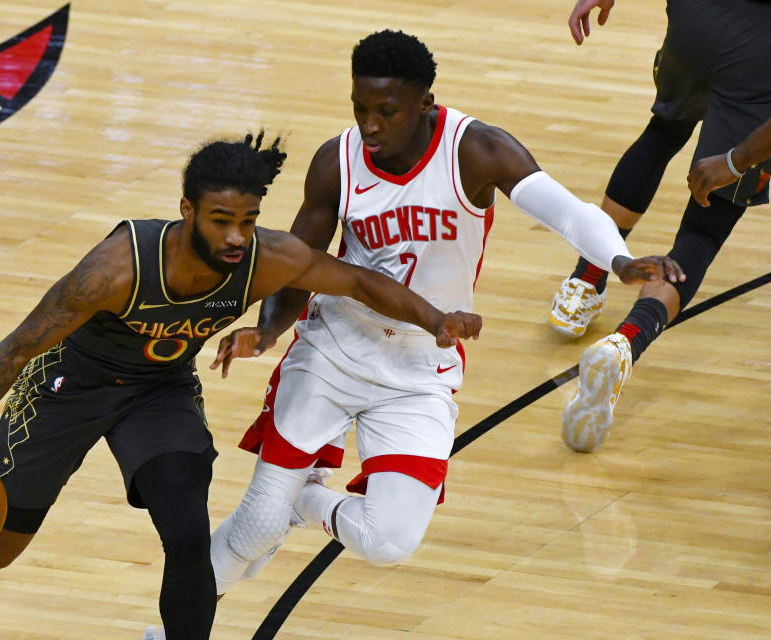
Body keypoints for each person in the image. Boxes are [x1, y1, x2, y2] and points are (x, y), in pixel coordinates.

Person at [0, 132, 487, 640]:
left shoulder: (265, 257)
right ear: (186, 209)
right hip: (72, 385)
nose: (235, 237)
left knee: (189, 534)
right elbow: (19, 346)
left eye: (247, 221)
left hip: (159, 391)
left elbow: (358, 282)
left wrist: (436, 320)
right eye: (222, 221)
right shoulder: (116, 268)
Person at [206, 30, 683, 602]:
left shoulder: (477, 150)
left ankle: (302, 501)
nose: (370, 125)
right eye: (360, 109)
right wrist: (265, 332)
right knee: (255, 525)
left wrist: (621, 261)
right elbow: (300, 264)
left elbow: (569, 213)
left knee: (387, 541)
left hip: (418, 366)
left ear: (424, 104)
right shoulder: (338, 161)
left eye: (386, 111)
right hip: (333, 348)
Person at [555, 0, 771, 453]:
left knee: (664, 130)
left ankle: (586, 279)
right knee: (706, 226)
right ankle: (624, 344)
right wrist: (737, 160)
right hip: (759, 51)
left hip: (695, 21)